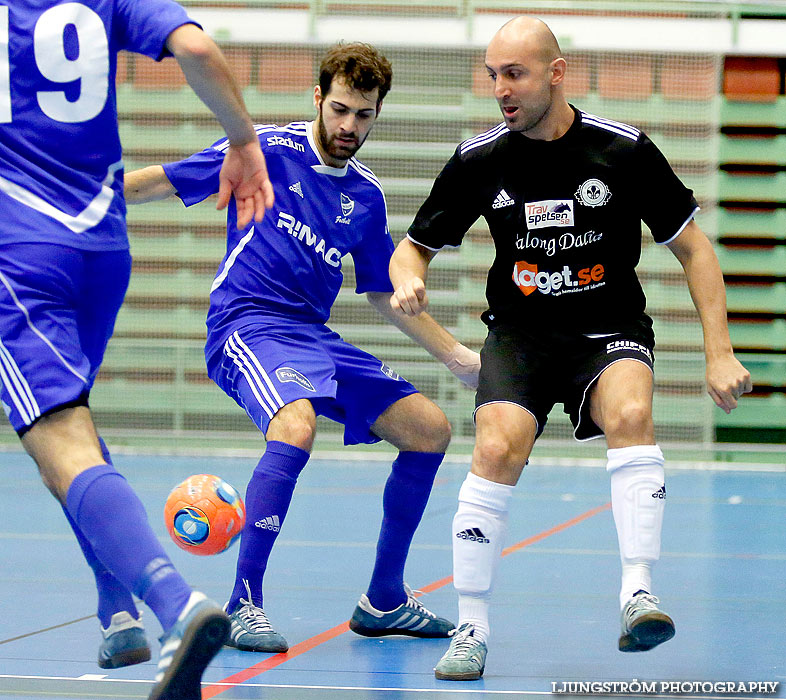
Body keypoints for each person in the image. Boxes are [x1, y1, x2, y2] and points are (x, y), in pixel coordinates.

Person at [388, 16, 752, 681]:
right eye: (493, 74)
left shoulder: (623, 150)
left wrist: (718, 351)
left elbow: (695, 250)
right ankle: (471, 625)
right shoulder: (480, 160)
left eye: (515, 73)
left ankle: (638, 592)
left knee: (632, 416)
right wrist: (409, 275)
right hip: (522, 336)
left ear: (557, 73)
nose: (501, 88)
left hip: (607, 331)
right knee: (497, 448)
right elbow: (412, 248)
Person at [124, 42, 481, 653]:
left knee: (429, 429)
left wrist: (456, 355)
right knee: (295, 426)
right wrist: (75, 201)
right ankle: (243, 605)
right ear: (318, 98)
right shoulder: (263, 151)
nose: (349, 127)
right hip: (247, 324)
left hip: (313, 337)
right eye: (339, 109)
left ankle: (385, 599)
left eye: (364, 116)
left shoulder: (364, 197)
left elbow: (381, 291)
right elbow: (163, 181)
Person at [0, 0, 275, 697]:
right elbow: (201, 51)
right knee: (68, 432)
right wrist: (244, 142)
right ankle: (115, 609)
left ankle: (174, 605)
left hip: (21, 251)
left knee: (59, 437)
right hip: (101, 247)